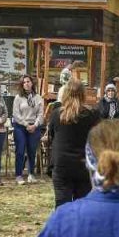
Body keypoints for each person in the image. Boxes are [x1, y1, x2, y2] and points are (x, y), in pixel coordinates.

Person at [47, 79, 101, 207]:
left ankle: (62, 227)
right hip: (83, 165)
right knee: (82, 206)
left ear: (65, 94)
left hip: (61, 165)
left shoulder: (56, 114)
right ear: (83, 95)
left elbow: (53, 137)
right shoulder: (92, 115)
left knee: (61, 205)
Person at [12, 75, 46, 185]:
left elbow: (40, 114)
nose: (26, 83)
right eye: (24, 82)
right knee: (20, 150)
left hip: (34, 126)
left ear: (32, 83)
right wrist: (26, 125)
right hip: (20, 126)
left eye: (28, 81)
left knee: (32, 151)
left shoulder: (38, 98)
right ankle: (19, 175)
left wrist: (35, 125)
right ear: (22, 85)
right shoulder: (18, 97)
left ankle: (31, 174)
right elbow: (16, 114)